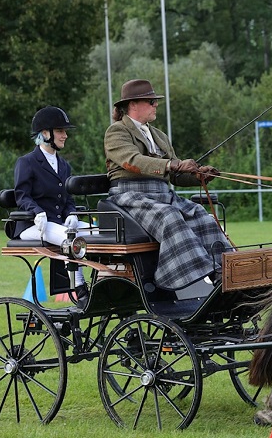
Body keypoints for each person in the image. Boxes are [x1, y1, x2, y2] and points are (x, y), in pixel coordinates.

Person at [103, 79, 230, 291]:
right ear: (133, 104)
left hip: (162, 195)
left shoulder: (158, 135)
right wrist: (174, 164)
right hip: (130, 197)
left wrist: (200, 176)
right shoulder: (116, 132)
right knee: (170, 216)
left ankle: (228, 268)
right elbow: (133, 161)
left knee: (199, 212)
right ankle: (204, 273)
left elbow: (175, 177)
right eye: (151, 101)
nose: (156, 105)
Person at [14, 106, 92, 307]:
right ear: (45, 133)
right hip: (32, 225)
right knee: (70, 238)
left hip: (57, 224)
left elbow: (68, 199)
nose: (65, 135)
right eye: (60, 131)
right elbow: (21, 195)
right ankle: (79, 288)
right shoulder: (27, 162)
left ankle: (105, 281)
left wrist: (72, 213)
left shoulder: (64, 165)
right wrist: (36, 211)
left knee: (98, 231)